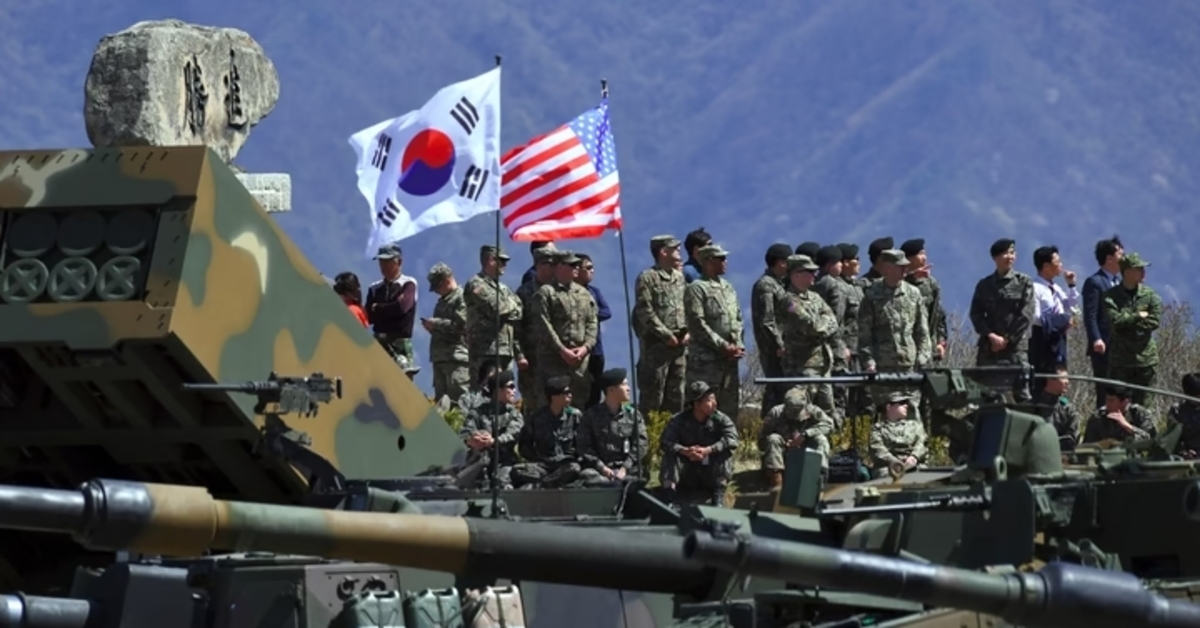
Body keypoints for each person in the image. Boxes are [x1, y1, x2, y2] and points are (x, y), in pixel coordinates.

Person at [684, 243, 745, 421]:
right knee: (703, 407)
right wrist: (722, 345)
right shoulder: (697, 288)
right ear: (709, 261)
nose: (726, 262)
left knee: (729, 409)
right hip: (706, 361)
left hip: (729, 360)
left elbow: (737, 318)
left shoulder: (728, 287)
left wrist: (737, 344)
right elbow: (697, 323)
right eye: (721, 259)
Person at [632, 235, 688, 415]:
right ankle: (650, 432)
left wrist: (688, 332)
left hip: (679, 347)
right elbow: (644, 311)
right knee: (653, 398)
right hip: (655, 349)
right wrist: (666, 335)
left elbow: (687, 306)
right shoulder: (647, 278)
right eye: (674, 248)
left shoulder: (679, 277)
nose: (679, 251)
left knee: (676, 397)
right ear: (663, 252)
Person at [659, 381, 739, 506]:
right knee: (670, 455)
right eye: (710, 400)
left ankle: (719, 494)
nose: (715, 403)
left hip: (710, 471)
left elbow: (732, 439)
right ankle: (669, 495)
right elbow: (665, 441)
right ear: (697, 404)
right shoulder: (679, 420)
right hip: (687, 470)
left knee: (725, 452)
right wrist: (685, 451)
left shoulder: (721, 419)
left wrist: (709, 450)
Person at [1103, 252, 1162, 406]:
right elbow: (1115, 321)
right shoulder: (1111, 296)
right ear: (1127, 272)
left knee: (1144, 407)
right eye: (1139, 269)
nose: (1143, 272)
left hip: (1145, 360)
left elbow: (1154, 322)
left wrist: (1127, 322)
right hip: (1121, 361)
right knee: (1117, 403)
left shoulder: (1150, 295)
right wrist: (1137, 316)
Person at [578, 368, 649, 485]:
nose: (628, 388)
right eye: (624, 384)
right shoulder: (591, 415)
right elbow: (584, 447)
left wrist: (625, 468)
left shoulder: (633, 415)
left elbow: (641, 443)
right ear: (611, 390)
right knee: (587, 476)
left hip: (626, 468)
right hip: (600, 469)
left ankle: (616, 484)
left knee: (642, 475)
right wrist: (603, 468)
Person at [511, 376, 583, 489]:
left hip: (566, 464)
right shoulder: (537, 418)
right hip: (544, 465)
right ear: (554, 397)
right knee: (517, 470)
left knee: (575, 469)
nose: (570, 395)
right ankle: (554, 481)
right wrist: (537, 458)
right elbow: (524, 446)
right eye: (566, 393)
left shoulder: (574, 416)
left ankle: (542, 485)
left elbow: (582, 443)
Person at [458, 371, 524, 490]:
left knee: (503, 484)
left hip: (504, 462)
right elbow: (464, 433)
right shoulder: (478, 411)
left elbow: (514, 433)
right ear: (498, 390)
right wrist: (472, 440)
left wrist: (493, 441)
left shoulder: (513, 414)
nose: (514, 391)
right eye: (511, 387)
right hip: (480, 461)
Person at [759, 386, 835, 489]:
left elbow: (829, 425)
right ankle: (776, 486)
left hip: (806, 452)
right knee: (773, 439)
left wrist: (805, 435)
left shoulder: (813, 410)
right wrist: (785, 442)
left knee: (821, 440)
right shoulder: (775, 413)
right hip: (784, 455)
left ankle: (818, 480)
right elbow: (762, 440)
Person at [1082, 235, 1124, 410]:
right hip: (1104, 345)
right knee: (1105, 389)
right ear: (1109, 258)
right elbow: (1090, 315)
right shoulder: (1095, 282)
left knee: (1121, 390)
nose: (1124, 259)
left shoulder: (1119, 282)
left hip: (1120, 346)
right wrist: (1096, 338)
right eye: (1120, 255)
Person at [423, 263, 470, 404]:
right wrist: (432, 328)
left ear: (447, 280)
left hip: (456, 360)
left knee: (459, 402)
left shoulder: (462, 298)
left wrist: (436, 324)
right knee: (442, 404)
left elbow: (462, 326)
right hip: (440, 359)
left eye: (438, 287)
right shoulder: (442, 302)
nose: (436, 291)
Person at [364, 244, 419, 363]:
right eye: (381, 262)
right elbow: (369, 316)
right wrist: (391, 308)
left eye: (387, 262)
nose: (383, 266)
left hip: (400, 343)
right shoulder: (374, 288)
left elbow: (402, 308)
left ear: (399, 262)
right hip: (379, 342)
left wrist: (378, 307)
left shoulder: (408, 284)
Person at [575, 253, 612, 408]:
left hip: (595, 349)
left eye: (592, 267)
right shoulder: (570, 292)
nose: (592, 271)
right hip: (576, 348)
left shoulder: (594, 292)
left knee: (595, 389)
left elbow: (607, 312)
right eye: (588, 267)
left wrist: (589, 316)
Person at [867, 391, 928, 478]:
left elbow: (922, 443)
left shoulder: (915, 426)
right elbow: (877, 448)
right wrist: (894, 461)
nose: (906, 406)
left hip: (914, 465)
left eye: (906, 403)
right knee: (886, 477)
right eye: (901, 403)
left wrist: (914, 457)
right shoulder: (878, 429)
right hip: (888, 467)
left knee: (926, 475)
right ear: (889, 407)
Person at [1082, 385, 1155, 445]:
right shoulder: (1098, 416)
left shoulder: (1139, 414)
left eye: (1111, 400)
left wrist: (1127, 426)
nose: (1107, 404)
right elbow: (1087, 446)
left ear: (1125, 402)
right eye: (1107, 399)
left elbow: (1151, 441)